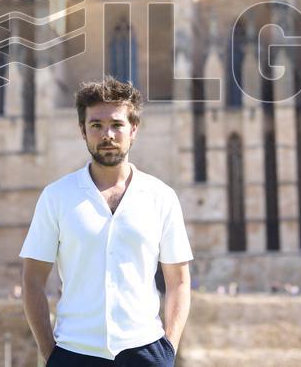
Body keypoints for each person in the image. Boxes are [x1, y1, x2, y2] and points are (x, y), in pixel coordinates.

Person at [20, 77, 193, 366]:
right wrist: (51, 354)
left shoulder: (161, 196)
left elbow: (179, 281)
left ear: (133, 129)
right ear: (82, 131)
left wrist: (168, 350)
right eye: (96, 125)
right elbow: (32, 280)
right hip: (74, 353)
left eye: (116, 124)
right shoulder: (56, 197)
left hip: (146, 352)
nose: (107, 135)